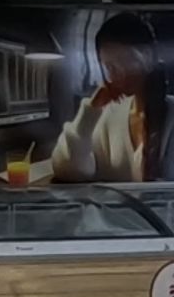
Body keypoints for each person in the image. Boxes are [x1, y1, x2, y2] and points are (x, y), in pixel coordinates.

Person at [50, 12, 167, 182]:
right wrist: (90, 112)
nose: (119, 74)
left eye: (126, 60)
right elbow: (68, 171)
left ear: (148, 56)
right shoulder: (109, 117)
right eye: (111, 67)